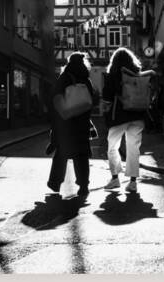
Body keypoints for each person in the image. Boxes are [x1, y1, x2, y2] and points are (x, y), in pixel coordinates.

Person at [47, 53, 98, 196]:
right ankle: (83, 185)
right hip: (82, 124)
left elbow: (55, 96)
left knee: (62, 154)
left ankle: (55, 183)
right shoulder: (86, 80)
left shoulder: (64, 78)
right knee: (81, 155)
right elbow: (91, 100)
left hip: (66, 124)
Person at [102, 47, 150, 193]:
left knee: (112, 147)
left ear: (114, 61)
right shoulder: (138, 75)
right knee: (133, 149)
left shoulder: (113, 75)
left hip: (119, 117)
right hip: (138, 115)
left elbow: (107, 99)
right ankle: (133, 182)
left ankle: (115, 178)